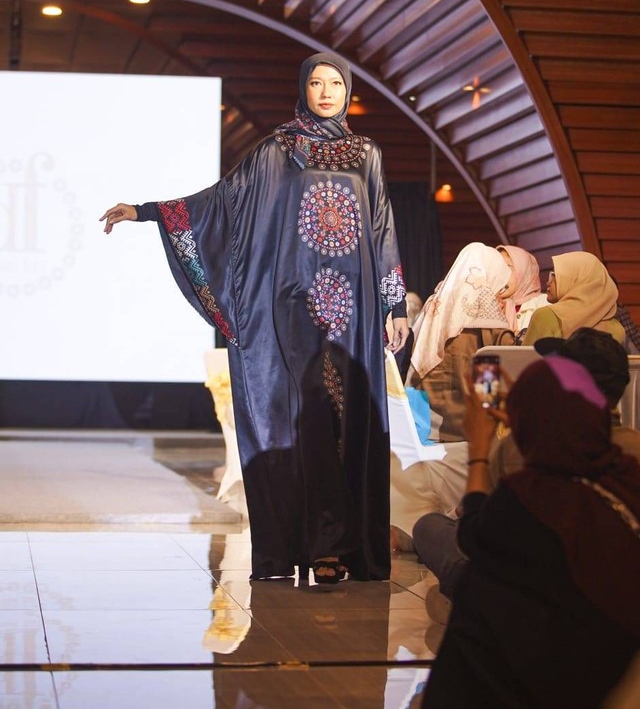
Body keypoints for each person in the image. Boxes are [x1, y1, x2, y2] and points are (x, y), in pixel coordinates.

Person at [100, 51, 409, 584]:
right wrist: (147, 212)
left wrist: (394, 304)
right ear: (303, 88)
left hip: (353, 313)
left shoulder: (367, 154)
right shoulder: (278, 150)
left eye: (336, 82)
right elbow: (221, 204)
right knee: (306, 418)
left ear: (349, 89)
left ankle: (342, 545)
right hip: (292, 308)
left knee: (347, 419)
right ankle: (317, 546)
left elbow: (381, 229)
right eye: (316, 82)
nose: (326, 91)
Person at [422, 355, 640, 708]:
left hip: (550, 676)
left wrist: (480, 448)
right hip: (609, 666)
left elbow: (475, 532)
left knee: (473, 581)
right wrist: (527, 426)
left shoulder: (536, 499)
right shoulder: (625, 476)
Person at [413, 327, 640, 600]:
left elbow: (483, 531)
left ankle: (466, 588)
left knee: (429, 527)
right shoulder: (631, 449)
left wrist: (483, 447)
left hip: (533, 596)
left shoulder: (526, 449)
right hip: (615, 593)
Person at [408, 242, 515, 443]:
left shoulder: (433, 307)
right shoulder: (491, 325)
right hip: (469, 433)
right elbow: (491, 389)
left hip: (424, 427)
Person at [522, 250, 624, 345]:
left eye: (555, 276)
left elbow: (524, 361)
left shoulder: (546, 317)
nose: (548, 282)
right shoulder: (616, 329)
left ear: (577, 281)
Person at [496, 244, 547, 341]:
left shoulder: (544, 304)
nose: (500, 275)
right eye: (496, 269)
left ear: (525, 272)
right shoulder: (487, 305)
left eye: (507, 268)